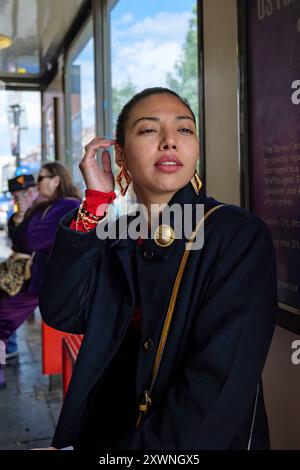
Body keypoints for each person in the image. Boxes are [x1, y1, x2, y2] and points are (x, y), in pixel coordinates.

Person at [38, 87, 277, 450]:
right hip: (107, 430)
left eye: (184, 130)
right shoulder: (119, 233)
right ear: (119, 154)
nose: (170, 142)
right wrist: (96, 202)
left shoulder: (234, 234)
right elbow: (63, 311)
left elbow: (216, 387)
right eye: (149, 130)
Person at [0, 163, 81, 389]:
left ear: (56, 180)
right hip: (37, 279)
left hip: (50, 282)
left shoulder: (67, 205)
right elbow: (19, 238)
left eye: (41, 179)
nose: (36, 185)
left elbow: (33, 240)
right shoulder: (46, 206)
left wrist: (30, 213)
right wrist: (25, 210)